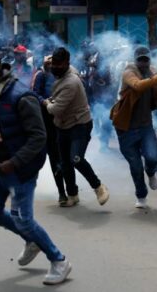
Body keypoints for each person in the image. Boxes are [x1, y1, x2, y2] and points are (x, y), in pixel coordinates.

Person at [0, 51, 71, 285]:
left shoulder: (22, 97)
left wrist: (15, 162)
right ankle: (31, 240)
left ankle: (59, 260)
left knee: (23, 219)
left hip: (22, 168)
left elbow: (38, 137)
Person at [110, 46, 157, 208]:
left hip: (145, 126)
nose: (143, 63)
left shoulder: (153, 72)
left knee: (153, 157)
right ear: (135, 60)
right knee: (135, 166)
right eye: (140, 60)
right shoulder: (128, 72)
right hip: (126, 128)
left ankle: (151, 172)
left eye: (146, 59)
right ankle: (141, 196)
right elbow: (138, 85)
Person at [44, 47, 109, 208]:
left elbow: (56, 109)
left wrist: (46, 103)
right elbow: (52, 70)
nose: (55, 68)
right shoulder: (65, 71)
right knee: (65, 163)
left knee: (76, 159)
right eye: (54, 64)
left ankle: (98, 187)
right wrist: (47, 65)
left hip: (79, 125)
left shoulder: (71, 83)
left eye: (59, 65)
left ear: (67, 64)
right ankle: (72, 195)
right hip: (62, 125)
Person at [32, 55, 69, 206]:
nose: (53, 67)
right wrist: (45, 102)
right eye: (50, 65)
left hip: (63, 119)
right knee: (54, 157)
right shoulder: (41, 75)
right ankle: (62, 191)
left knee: (66, 156)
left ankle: (71, 188)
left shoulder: (65, 77)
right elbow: (35, 94)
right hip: (47, 121)